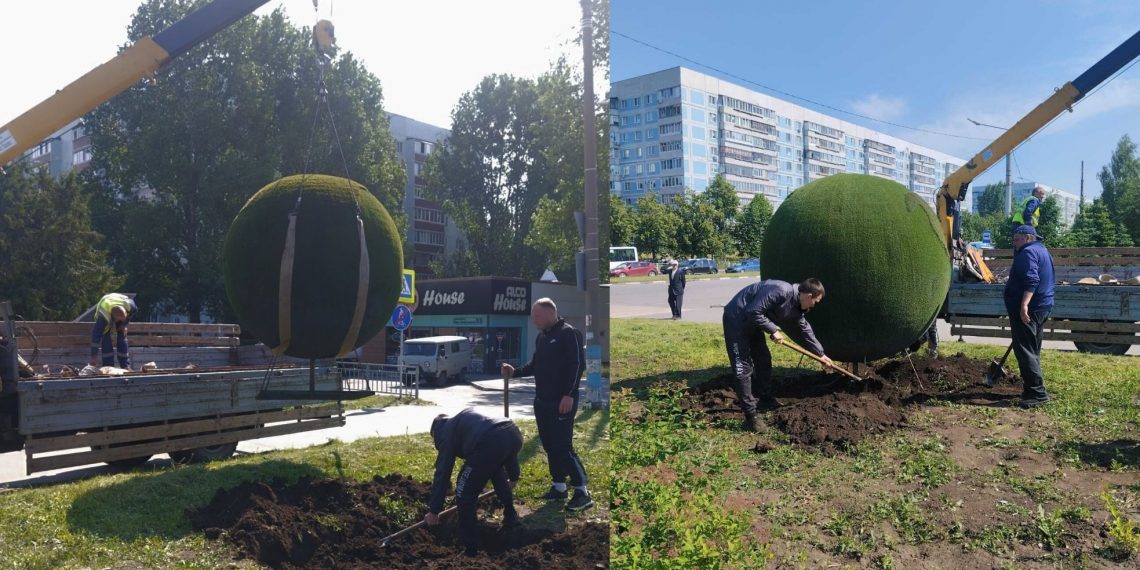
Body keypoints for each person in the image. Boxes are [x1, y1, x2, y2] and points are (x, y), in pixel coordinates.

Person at [501, 298, 592, 512]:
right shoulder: (543, 337)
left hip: (562, 401)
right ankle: (559, 486)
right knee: (550, 445)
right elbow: (535, 365)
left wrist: (569, 395)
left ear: (551, 313)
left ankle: (582, 491)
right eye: (533, 316)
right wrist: (515, 372)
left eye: (538, 316)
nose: (534, 320)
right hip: (542, 401)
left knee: (563, 446)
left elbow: (578, 365)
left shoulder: (569, 333)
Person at [722, 278, 834, 431]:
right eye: (816, 301)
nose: (815, 305)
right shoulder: (781, 290)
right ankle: (751, 416)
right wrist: (773, 330)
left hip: (753, 323)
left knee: (763, 360)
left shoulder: (797, 306)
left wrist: (820, 354)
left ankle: (765, 398)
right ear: (808, 296)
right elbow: (753, 310)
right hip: (737, 319)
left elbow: (805, 329)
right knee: (743, 367)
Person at [423, 408, 523, 556]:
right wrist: (514, 476)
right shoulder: (463, 420)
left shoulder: (445, 433)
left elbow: (443, 472)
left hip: (489, 441)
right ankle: (510, 515)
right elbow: (504, 444)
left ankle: (471, 549)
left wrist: (434, 510)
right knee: (495, 469)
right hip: (512, 432)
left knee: (464, 493)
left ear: (436, 432)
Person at [996, 225, 1055, 408]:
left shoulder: (1028, 252)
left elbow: (1032, 279)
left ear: (1028, 237)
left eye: (1016, 239)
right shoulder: (1042, 250)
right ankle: (1032, 388)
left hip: (1030, 310)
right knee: (1032, 349)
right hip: (1042, 307)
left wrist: (1023, 305)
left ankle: (1037, 394)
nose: (1014, 243)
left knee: (1026, 351)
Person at [89, 293, 137, 368]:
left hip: (118, 303)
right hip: (106, 305)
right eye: (119, 320)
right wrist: (93, 356)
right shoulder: (103, 318)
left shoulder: (130, 306)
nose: (119, 321)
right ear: (113, 318)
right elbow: (96, 336)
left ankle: (125, 366)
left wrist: (124, 324)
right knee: (105, 338)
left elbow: (132, 312)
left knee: (122, 334)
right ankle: (108, 366)